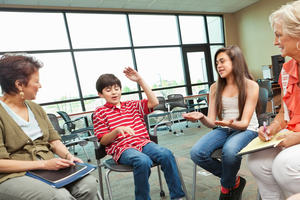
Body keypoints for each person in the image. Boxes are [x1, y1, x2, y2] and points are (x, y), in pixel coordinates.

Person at [0, 54, 98, 200]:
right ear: (19, 84)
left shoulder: (36, 108)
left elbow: (54, 141)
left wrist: (68, 156)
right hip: (13, 175)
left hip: (48, 168)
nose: (40, 86)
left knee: (88, 185)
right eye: (37, 81)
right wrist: (45, 164)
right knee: (60, 197)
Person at [93, 67, 185, 200]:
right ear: (100, 94)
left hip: (143, 143)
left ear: (120, 90)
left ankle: (177, 197)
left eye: (116, 88)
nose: (113, 92)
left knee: (167, 154)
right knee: (143, 161)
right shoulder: (100, 112)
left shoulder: (132, 105)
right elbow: (103, 140)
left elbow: (154, 102)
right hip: (123, 149)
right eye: (108, 90)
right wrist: (117, 130)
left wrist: (140, 80)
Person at [182, 45, 259, 200]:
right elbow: (211, 122)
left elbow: (244, 123)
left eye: (222, 61)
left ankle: (226, 188)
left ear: (235, 62)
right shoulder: (215, 87)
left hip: (247, 129)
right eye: (217, 63)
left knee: (230, 152)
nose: (219, 66)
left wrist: (229, 123)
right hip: (224, 128)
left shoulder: (251, 85)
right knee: (197, 153)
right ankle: (233, 181)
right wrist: (202, 117)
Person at [247, 1, 300, 199]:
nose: (275, 42)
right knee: (257, 162)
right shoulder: (286, 72)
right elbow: (284, 113)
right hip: (293, 132)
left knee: (284, 165)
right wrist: (273, 127)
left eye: (279, 35)